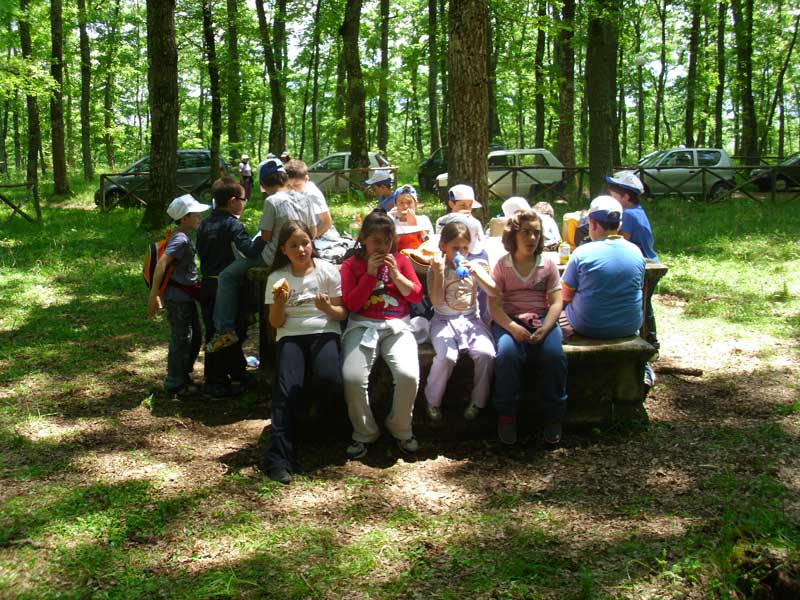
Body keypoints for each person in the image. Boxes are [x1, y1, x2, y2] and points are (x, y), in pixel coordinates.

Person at [264, 221, 347, 484]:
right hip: (291, 335)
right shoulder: (278, 278)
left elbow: (341, 312)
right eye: (294, 245)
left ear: (313, 244)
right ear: (284, 250)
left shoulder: (327, 271)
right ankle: (278, 459)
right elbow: (276, 323)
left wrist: (327, 310)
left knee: (330, 378)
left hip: (324, 331)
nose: (301, 249)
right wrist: (279, 302)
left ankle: (321, 433)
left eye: (305, 243)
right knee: (287, 389)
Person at [207, 158, 317, 353]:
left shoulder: (272, 201)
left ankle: (224, 328)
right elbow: (314, 231)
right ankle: (247, 312)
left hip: (274, 255)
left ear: (264, 184)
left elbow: (265, 236)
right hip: (304, 251)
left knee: (228, 275)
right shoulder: (304, 197)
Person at [340, 209, 424, 458]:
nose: (383, 246)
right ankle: (365, 432)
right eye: (377, 241)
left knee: (408, 375)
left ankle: (400, 428)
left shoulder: (400, 260)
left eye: (388, 241)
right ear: (364, 238)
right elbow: (351, 305)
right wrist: (369, 275)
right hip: (362, 325)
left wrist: (397, 276)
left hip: (397, 324)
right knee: (353, 378)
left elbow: (416, 295)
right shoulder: (351, 265)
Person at [489, 209, 567, 446]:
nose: (531, 238)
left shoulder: (548, 265)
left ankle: (554, 415)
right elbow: (494, 305)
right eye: (526, 232)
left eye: (536, 233)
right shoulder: (503, 266)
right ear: (513, 235)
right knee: (507, 355)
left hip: (542, 319)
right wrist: (512, 327)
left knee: (554, 355)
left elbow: (556, 302)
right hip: (510, 320)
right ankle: (507, 414)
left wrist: (546, 329)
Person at [197, 177, 266, 397]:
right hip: (227, 287)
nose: (245, 204)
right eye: (244, 200)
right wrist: (266, 236)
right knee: (230, 331)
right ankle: (218, 381)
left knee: (214, 330)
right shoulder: (232, 224)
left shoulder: (205, 223)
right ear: (233, 200)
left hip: (207, 283)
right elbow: (250, 251)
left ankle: (232, 373)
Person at [425, 221, 497, 422]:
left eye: (465, 248)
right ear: (443, 246)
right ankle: (432, 401)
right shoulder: (435, 268)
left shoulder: (476, 266)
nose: (461, 252)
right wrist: (439, 273)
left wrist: (476, 272)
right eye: (455, 248)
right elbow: (437, 301)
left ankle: (478, 401)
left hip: (471, 320)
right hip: (443, 321)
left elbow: (494, 291)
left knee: (486, 354)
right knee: (447, 357)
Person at [147, 194, 210, 397]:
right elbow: (162, 264)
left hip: (186, 295)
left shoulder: (180, 235)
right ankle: (175, 382)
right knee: (181, 338)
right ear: (184, 219)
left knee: (194, 337)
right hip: (178, 298)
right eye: (196, 214)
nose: (200, 216)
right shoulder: (181, 239)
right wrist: (154, 295)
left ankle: (182, 375)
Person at [560, 195, 646, 340]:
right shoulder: (637, 252)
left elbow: (565, 295)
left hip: (588, 327)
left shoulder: (581, 253)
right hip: (629, 326)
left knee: (557, 312)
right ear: (619, 225)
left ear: (592, 223)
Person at [606, 170, 659, 351]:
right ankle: (650, 339)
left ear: (626, 197)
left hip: (646, 266)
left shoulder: (628, 215)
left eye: (613, 195)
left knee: (641, 304)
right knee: (645, 303)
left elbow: (622, 241)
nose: (610, 198)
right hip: (648, 262)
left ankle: (648, 341)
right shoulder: (636, 211)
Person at [435, 184, 490, 321]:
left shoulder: (475, 222)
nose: (467, 209)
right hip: (451, 256)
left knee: (482, 274)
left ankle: (484, 314)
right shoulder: (443, 221)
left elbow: (482, 242)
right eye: (462, 205)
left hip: (474, 255)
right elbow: (441, 241)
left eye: (470, 205)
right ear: (451, 204)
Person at [285, 159, 338, 239]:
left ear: (306, 179)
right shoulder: (293, 192)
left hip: (320, 234)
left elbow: (327, 222)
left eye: (296, 185)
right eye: (289, 185)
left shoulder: (311, 194)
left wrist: (310, 239)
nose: (292, 189)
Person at [388, 184, 433, 251]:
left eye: (409, 202)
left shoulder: (424, 220)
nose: (405, 206)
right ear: (395, 205)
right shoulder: (391, 223)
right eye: (401, 203)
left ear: (416, 204)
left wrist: (413, 225)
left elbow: (430, 244)